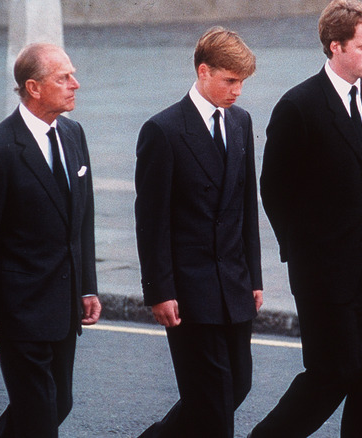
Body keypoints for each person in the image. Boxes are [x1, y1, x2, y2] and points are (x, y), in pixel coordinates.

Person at [251, 1, 362, 436]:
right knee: (332, 374)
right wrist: (308, 255)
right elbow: (274, 190)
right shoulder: (298, 106)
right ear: (334, 46)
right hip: (324, 273)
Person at [0, 42, 101, 437]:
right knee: (38, 415)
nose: (76, 84)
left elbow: (81, 219)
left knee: (57, 403)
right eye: (63, 78)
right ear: (34, 88)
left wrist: (88, 285)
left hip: (63, 306)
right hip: (19, 309)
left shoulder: (73, 135)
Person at [133, 27, 262, 438]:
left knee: (236, 385)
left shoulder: (241, 123)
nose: (238, 91)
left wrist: (254, 278)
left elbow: (246, 208)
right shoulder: (164, 130)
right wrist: (159, 290)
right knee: (212, 402)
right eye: (230, 81)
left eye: (242, 82)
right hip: (188, 289)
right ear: (203, 71)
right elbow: (151, 220)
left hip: (234, 284)